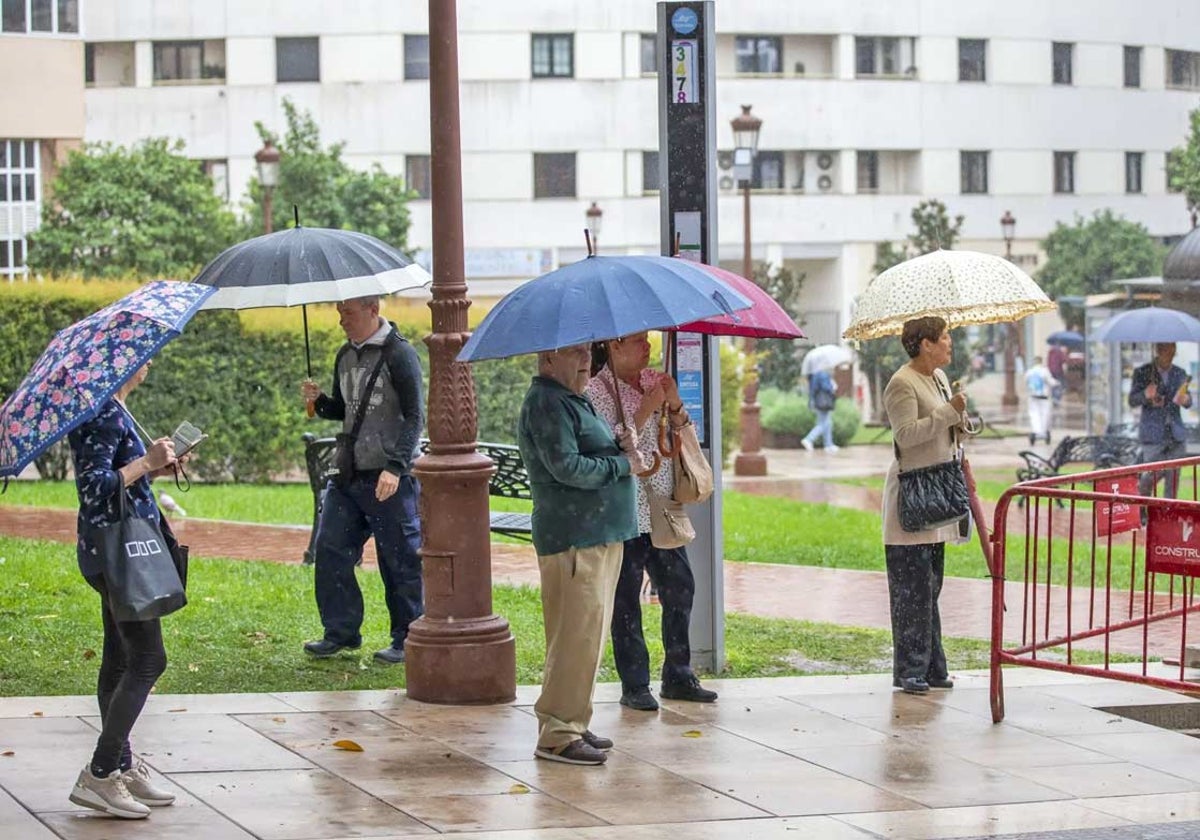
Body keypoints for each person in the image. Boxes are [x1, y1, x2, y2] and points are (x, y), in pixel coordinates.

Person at [518, 342, 648, 766]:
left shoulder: (573, 400)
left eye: (587, 352)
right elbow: (568, 468)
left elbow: (589, 452)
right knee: (574, 638)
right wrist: (622, 465)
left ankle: (572, 719)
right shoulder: (547, 402)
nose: (586, 360)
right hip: (575, 535)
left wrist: (619, 442)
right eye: (574, 352)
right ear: (547, 356)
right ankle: (557, 733)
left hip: (598, 533)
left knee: (587, 636)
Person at [67, 360, 180, 819]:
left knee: (118, 659)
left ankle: (122, 763)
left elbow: (121, 481)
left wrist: (153, 468)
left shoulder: (113, 409)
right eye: (140, 357)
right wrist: (146, 462)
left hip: (111, 551)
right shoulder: (104, 413)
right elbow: (94, 488)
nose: (149, 361)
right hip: (118, 554)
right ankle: (99, 772)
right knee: (150, 658)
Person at [585, 333, 718, 713]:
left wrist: (674, 404)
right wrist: (647, 407)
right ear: (614, 347)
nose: (647, 346)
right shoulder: (595, 392)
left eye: (648, 340)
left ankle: (679, 673)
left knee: (680, 588)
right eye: (638, 341)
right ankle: (635, 683)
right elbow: (610, 447)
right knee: (626, 601)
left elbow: (679, 435)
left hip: (662, 507)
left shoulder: (653, 380)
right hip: (624, 510)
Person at [300, 295, 424, 665]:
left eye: (348, 313)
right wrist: (320, 401)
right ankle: (340, 633)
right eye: (339, 313)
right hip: (349, 472)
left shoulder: (401, 355)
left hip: (389, 475)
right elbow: (345, 410)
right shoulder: (345, 355)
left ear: (374, 310)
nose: (342, 320)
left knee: (399, 559)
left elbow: (415, 416)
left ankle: (407, 637)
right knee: (331, 548)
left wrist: (396, 466)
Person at [882, 316, 968, 695]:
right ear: (924, 344)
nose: (950, 343)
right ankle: (909, 669)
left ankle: (933, 666)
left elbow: (943, 428)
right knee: (911, 589)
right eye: (945, 337)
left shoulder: (938, 378)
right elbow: (906, 435)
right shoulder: (901, 383)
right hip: (913, 495)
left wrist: (958, 419)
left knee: (930, 586)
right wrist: (948, 412)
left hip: (938, 492)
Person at [1130, 342, 1193, 500]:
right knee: (1148, 478)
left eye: (1173, 352)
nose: (1170, 356)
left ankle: (1168, 516)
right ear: (1158, 350)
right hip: (1153, 435)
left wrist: (1186, 399)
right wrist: (1145, 394)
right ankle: (1143, 512)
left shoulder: (1180, 373)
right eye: (1167, 352)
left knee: (1173, 480)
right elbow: (1132, 400)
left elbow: (1188, 400)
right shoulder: (1143, 372)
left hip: (1175, 435)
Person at [801, 369, 839, 452]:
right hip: (824, 401)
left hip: (817, 400)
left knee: (827, 422)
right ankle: (809, 439)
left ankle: (829, 445)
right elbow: (826, 387)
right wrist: (832, 386)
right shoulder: (822, 374)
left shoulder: (814, 374)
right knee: (823, 423)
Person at [1024, 355, 1057, 446]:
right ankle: (1043, 431)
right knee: (1045, 414)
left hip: (1033, 397)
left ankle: (1036, 430)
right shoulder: (1044, 371)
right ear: (1041, 362)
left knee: (1034, 414)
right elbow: (1051, 382)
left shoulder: (1029, 372)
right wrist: (1056, 383)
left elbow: (1026, 382)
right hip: (1044, 397)